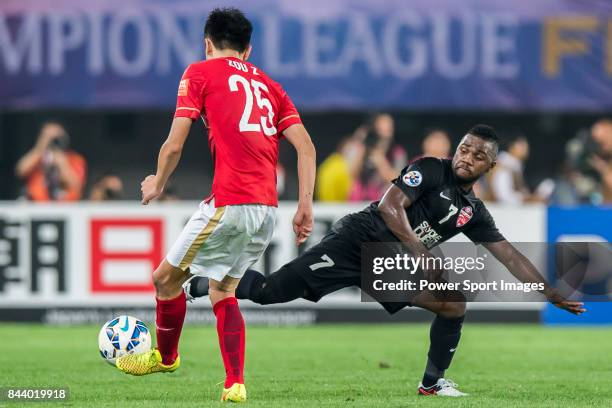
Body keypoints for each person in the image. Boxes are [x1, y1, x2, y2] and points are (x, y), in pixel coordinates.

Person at [185, 125, 584, 397]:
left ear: (490, 167)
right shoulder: (430, 168)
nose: (468, 157)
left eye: (479, 155)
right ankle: (205, 283)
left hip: (389, 263)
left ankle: (431, 385)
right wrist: (419, 251)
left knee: (454, 303)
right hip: (356, 241)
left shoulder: (472, 211)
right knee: (272, 292)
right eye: (465, 148)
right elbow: (392, 207)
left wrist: (547, 291)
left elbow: (509, 254)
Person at [114, 8, 317, 404]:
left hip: (230, 203)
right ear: (249, 48)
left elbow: (174, 143)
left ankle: (166, 357)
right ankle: (235, 384)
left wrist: (158, 182)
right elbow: (306, 147)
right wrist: (305, 204)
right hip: (267, 211)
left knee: (163, 281)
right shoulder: (272, 86)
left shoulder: (200, 72)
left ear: (208, 43)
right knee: (223, 289)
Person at [15, 121, 87, 201]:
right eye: (48, 136)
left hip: (65, 208)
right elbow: (20, 170)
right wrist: (41, 146)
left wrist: (62, 164)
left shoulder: (75, 158)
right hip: (37, 207)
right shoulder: (36, 157)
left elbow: (76, 186)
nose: (52, 140)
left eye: (57, 136)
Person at [350, 113, 407, 201]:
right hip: (359, 201)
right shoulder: (364, 150)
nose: (387, 128)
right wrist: (360, 144)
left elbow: (397, 180)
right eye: (382, 124)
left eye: (389, 125)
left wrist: (379, 159)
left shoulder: (397, 152)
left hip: (384, 201)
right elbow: (352, 174)